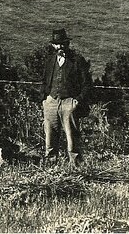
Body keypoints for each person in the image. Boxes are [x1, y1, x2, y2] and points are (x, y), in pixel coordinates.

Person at [40, 28, 92, 166]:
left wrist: (77, 100)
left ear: (67, 44)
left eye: (63, 43)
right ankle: (51, 165)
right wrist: (45, 99)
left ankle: (76, 166)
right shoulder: (50, 61)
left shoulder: (77, 61)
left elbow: (87, 84)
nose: (60, 47)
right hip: (51, 101)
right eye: (57, 44)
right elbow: (44, 81)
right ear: (53, 45)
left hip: (69, 102)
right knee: (50, 135)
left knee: (72, 136)